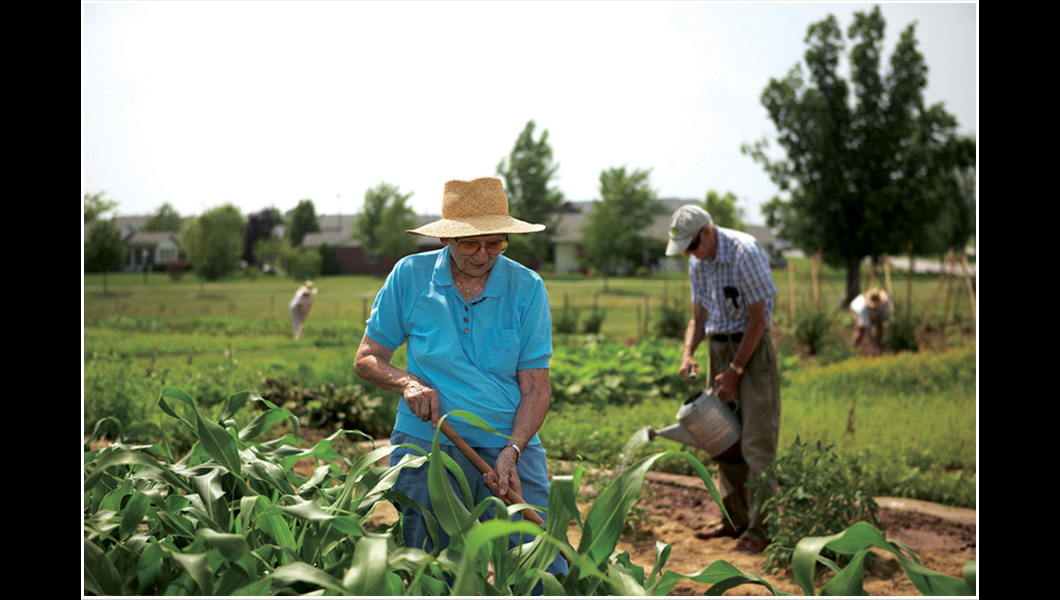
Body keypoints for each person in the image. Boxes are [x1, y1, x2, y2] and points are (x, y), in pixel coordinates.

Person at [353, 177, 567, 579]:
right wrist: (407, 384)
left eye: (495, 243)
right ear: (446, 240)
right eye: (470, 244)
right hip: (427, 443)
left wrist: (513, 451)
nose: (483, 255)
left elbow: (536, 386)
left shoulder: (527, 287)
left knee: (540, 568)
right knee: (432, 568)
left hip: (508, 445)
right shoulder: (410, 277)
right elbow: (367, 358)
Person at [664, 204, 780, 555]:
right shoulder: (698, 262)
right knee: (722, 439)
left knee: (757, 443)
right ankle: (735, 521)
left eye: (692, 245)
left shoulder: (745, 252)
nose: (689, 253)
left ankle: (762, 529)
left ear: (708, 232)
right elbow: (698, 316)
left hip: (751, 351)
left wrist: (736, 372)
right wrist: (688, 353)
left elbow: (758, 320)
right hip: (719, 349)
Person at [849, 287, 893, 355]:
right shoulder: (862, 308)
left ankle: (879, 345)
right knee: (861, 329)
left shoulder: (885, 302)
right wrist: (875, 347)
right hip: (856, 311)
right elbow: (868, 330)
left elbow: (885, 317)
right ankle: (853, 348)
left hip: (874, 312)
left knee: (880, 326)